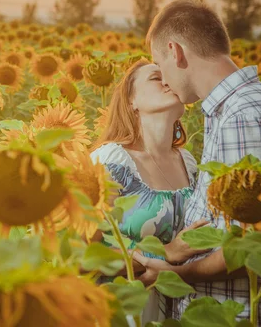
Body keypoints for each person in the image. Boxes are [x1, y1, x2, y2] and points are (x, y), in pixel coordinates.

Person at [132, 0, 261, 322]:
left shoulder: (243, 115)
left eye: (160, 64)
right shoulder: (235, 108)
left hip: (242, 314)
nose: (164, 80)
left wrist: (177, 274)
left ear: (176, 51)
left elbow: (255, 244)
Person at [89, 58, 208, 324]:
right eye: (156, 78)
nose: (168, 81)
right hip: (121, 310)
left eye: (169, 76)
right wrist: (164, 253)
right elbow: (82, 256)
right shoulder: (110, 161)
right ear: (132, 101)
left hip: (178, 309)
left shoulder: (188, 162)